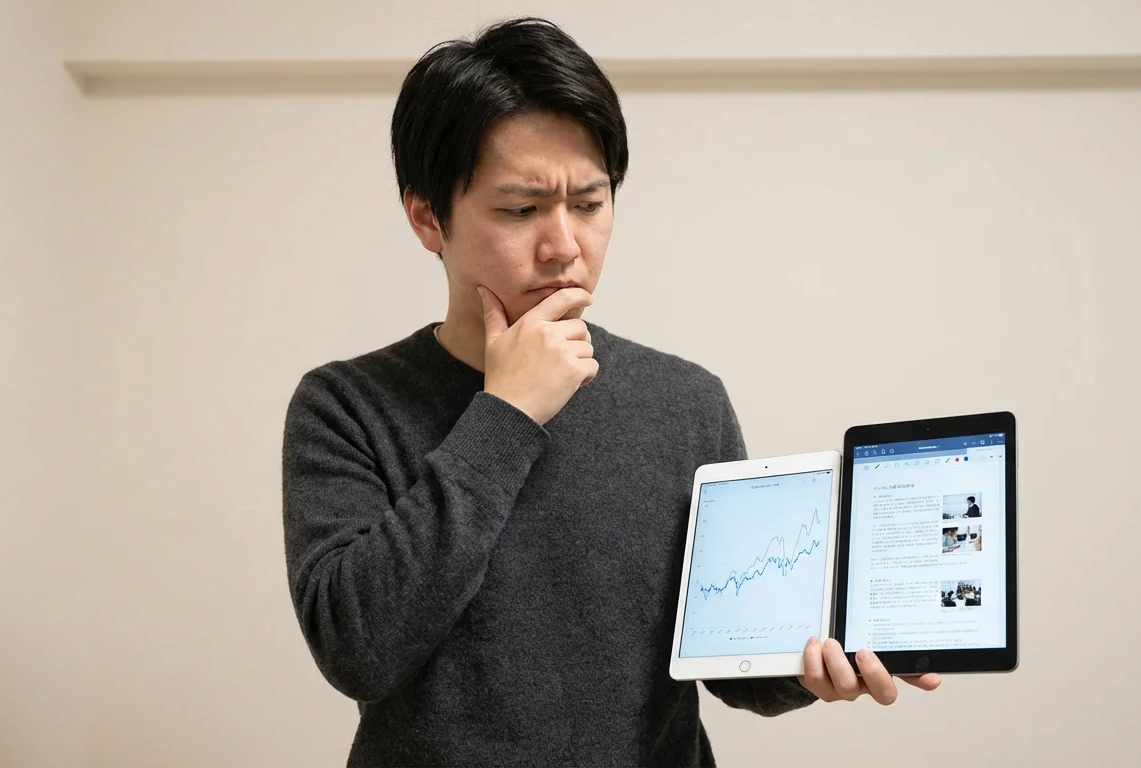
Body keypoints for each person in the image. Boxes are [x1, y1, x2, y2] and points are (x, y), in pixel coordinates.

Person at [281, 17, 941, 766]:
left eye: (590, 205)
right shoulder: (345, 406)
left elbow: (731, 666)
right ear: (428, 217)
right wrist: (507, 412)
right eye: (520, 209)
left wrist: (817, 664)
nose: (565, 245)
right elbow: (360, 651)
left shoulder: (684, 400)